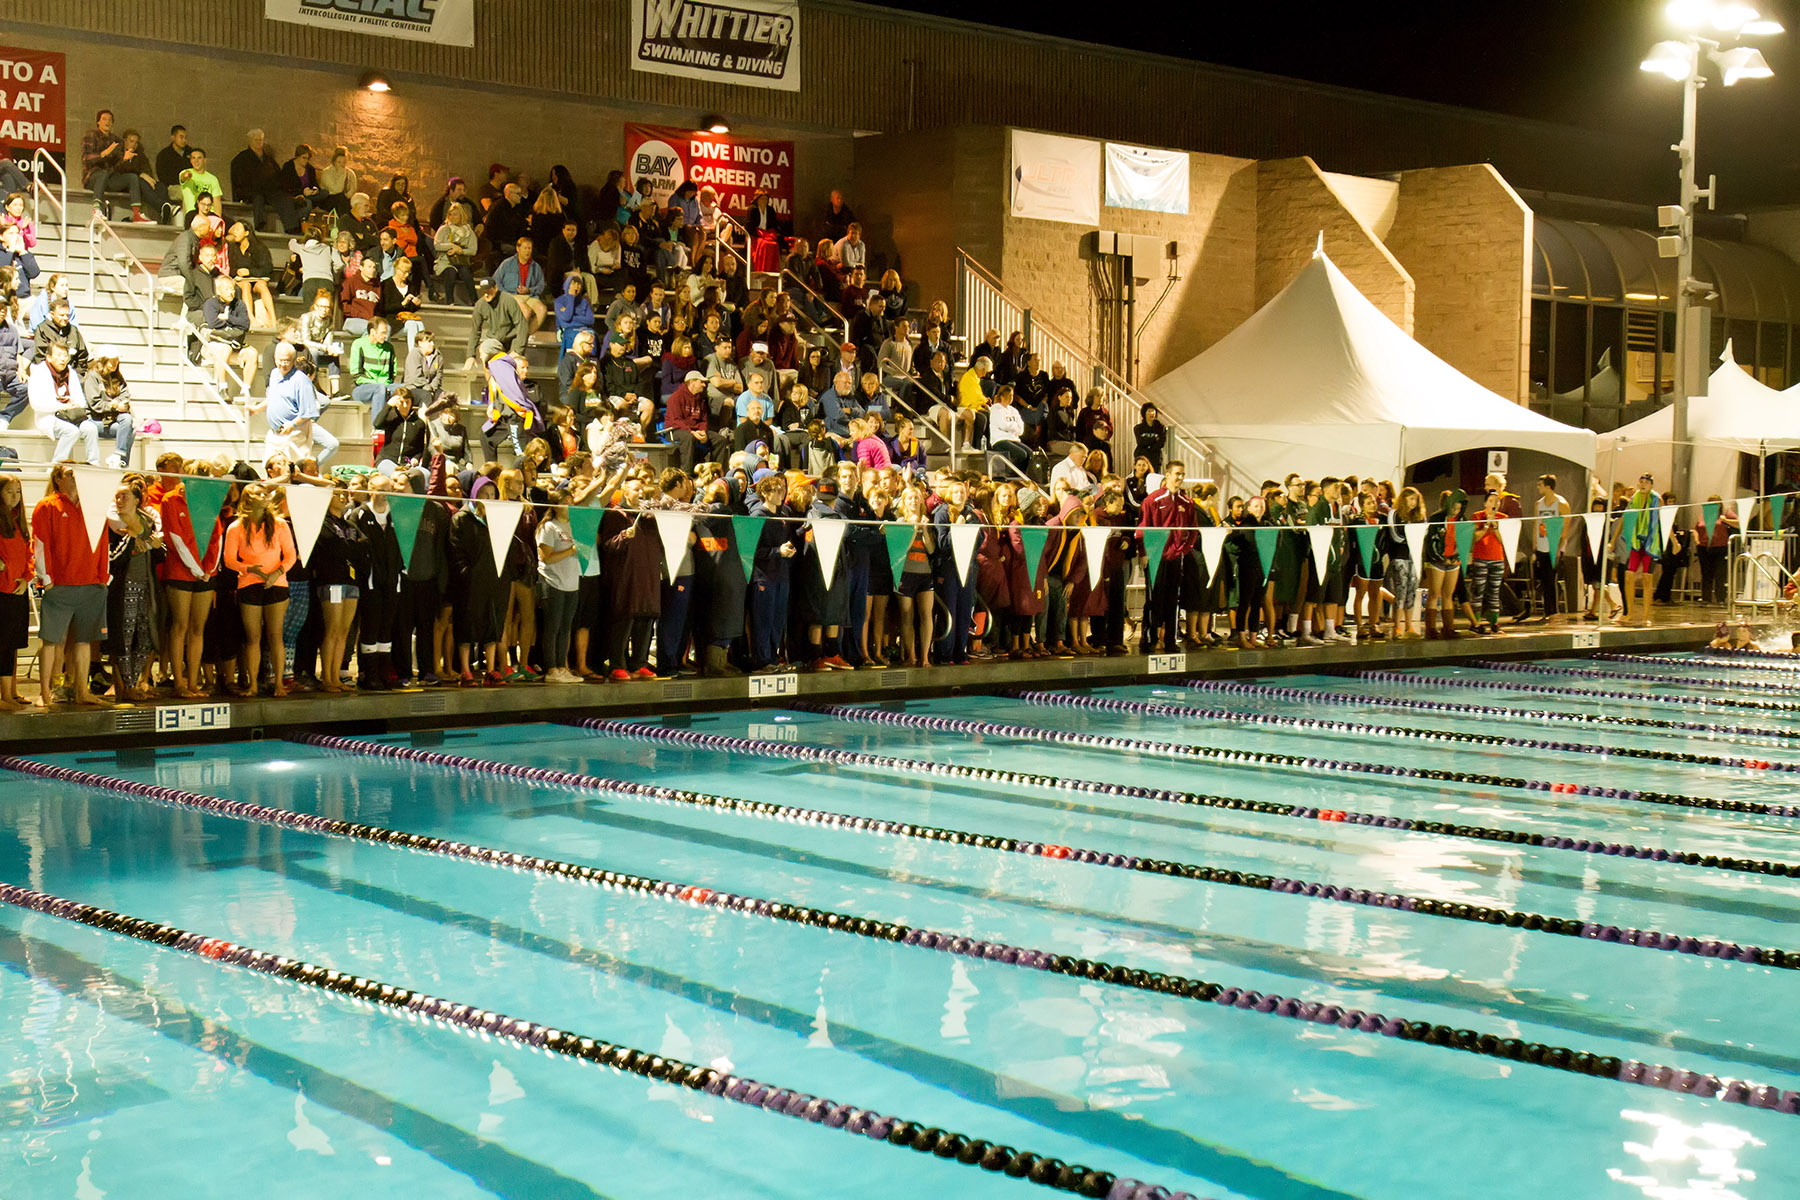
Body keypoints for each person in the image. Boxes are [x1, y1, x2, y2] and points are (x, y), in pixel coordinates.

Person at [32, 463, 111, 707]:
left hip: (90, 583)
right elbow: (40, 544)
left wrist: (103, 577)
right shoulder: (47, 506)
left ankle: (81, 690)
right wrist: (47, 579)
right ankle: (47, 692)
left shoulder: (94, 506)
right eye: (70, 474)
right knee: (52, 640)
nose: (76, 478)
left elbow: (104, 542)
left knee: (84, 640)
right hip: (61, 584)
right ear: (58, 479)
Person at [80, 109, 155, 223]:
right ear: (98, 122)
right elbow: (86, 159)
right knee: (102, 174)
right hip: (93, 177)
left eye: (110, 120)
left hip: (110, 178)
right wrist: (104, 153)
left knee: (132, 177)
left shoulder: (116, 140)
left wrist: (124, 159)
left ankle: (136, 214)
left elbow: (117, 167)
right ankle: (96, 210)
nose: (107, 122)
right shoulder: (91, 135)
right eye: (104, 119)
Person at [231, 128, 305, 233]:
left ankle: (292, 228)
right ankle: (260, 225)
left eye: (260, 140)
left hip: (270, 191)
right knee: (258, 197)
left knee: (285, 198)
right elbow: (239, 180)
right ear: (250, 141)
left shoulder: (269, 160)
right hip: (251, 191)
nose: (258, 142)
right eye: (255, 140)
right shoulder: (241, 159)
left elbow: (279, 177)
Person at [29, 341, 93, 462]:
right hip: (50, 417)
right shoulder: (39, 373)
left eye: (65, 355)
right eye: (59, 355)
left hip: (72, 416)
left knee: (91, 428)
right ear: (49, 357)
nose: (63, 359)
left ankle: (93, 463)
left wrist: (74, 403)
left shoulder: (71, 373)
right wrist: (61, 406)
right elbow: (35, 403)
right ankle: (55, 467)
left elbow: (81, 401)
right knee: (71, 432)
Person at [199, 276, 259, 397]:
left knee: (253, 353)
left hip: (234, 344)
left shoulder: (239, 304)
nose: (230, 292)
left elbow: (246, 324)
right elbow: (213, 323)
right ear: (218, 291)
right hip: (214, 344)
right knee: (225, 349)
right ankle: (222, 387)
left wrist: (228, 318)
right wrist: (236, 324)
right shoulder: (210, 303)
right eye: (226, 289)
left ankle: (245, 390)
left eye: (232, 289)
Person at [81, 354, 135, 468]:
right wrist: (113, 406)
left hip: (113, 421)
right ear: (103, 361)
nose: (115, 363)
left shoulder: (118, 377)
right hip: (96, 421)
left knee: (128, 422)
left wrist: (119, 403)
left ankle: (119, 458)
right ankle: (118, 460)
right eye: (112, 360)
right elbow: (95, 404)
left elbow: (125, 395)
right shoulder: (92, 377)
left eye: (116, 360)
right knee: (128, 429)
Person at [1621, 472, 1659, 627]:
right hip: (1636, 541)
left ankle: (1646, 616)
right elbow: (1625, 518)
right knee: (1628, 575)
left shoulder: (1656, 500)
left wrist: (1674, 541)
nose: (1643, 484)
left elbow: (1662, 519)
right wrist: (1612, 539)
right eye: (1641, 481)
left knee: (1646, 578)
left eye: (1647, 482)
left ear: (1651, 485)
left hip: (1650, 541)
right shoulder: (1634, 499)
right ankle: (1629, 613)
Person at [1468, 489, 1508, 635]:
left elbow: (1504, 539)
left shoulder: (1503, 518)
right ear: (1485, 502)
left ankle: (1495, 623)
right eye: (1491, 501)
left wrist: (1495, 525)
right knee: (1478, 591)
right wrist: (1486, 524)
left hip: (1497, 559)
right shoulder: (1477, 516)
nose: (1494, 504)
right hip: (1481, 558)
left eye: (1497, 501)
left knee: (1494, 592)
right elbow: (1475, 538)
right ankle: (1476, 622)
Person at [466, 277, 529, 365]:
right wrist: (470, 355)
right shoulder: (480, 305)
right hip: (495, 340)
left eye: (488, 291)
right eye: (483, 292)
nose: (486, 295)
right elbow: (475, 331)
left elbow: (522, 325)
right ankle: (491, 377)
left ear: (495, 288)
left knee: (515, 364)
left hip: (513, 340)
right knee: (485, 349)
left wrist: (517, 350)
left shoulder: (508, 300)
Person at [349, 317, 398, 423]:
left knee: (405, 389)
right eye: (382, 333)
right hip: (362, 388)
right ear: (372, 332)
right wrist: (379, 384)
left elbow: (392, 374)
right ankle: (376, 427)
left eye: (386, 333)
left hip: (386, 386)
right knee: (379, 389)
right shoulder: (358, 344)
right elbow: (356, 375)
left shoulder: (389, 347)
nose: (385, 336)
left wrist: (385, 385)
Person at [494, 236, 549, 332]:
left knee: (542, 309)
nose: (527, 251)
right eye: (525, 248)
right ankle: (518, 337)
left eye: (529, 248)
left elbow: (541, 286)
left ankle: (526, 336)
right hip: (511, 295)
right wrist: (506, 294)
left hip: (529, 296)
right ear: (518, 249)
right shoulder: (507, 264)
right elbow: (496, 281)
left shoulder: (535, 267)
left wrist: (529, 290)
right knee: (526, 311)